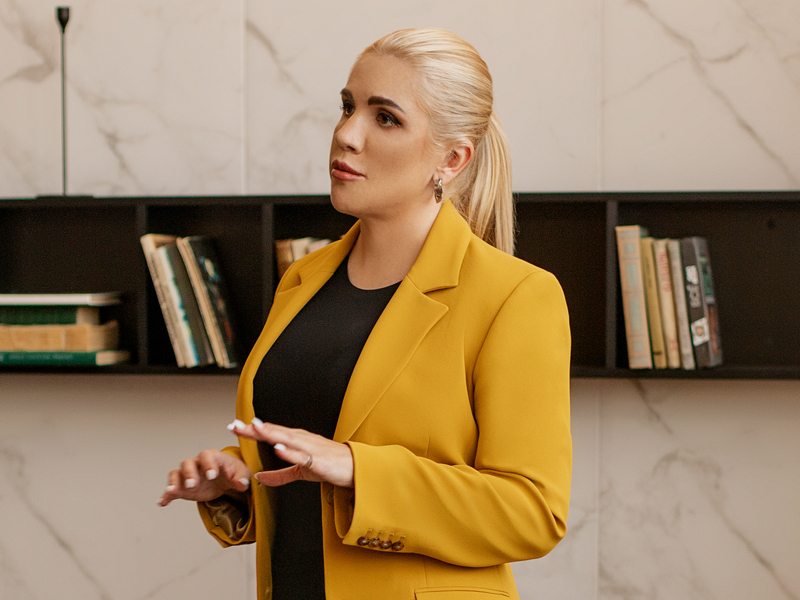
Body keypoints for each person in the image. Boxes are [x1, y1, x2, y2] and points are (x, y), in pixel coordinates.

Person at [159, 28, 572, 600]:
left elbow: (533, 512)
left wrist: (359, 468)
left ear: (451, 159)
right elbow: (313, 470)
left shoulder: (516, 296)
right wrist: (239, 480)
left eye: (386, 118)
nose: (347, 135)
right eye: (348, 107)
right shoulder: (303, 279)